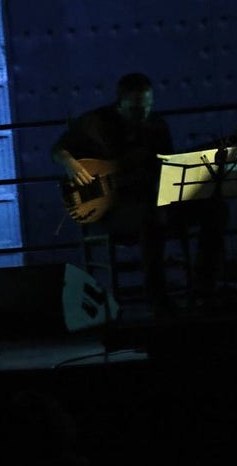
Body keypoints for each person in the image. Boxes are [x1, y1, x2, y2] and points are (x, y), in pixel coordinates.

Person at [51, 72, 227, 317]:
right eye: (135, 109)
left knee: (215, 207)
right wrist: (70, 162)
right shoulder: (96, 122)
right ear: (119, 103)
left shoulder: (156, 125)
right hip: (114, 210)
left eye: (146, 106)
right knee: (152, 216)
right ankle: (158, 300)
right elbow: (59, 149)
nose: (142, 113)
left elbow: (166, 171)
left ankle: (205, 291)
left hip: (149, 200)